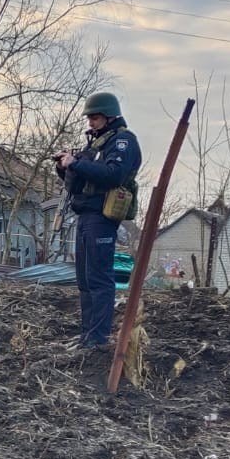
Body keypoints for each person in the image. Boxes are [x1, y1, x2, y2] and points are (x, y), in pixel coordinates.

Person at [55, 92, 141, 349]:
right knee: (84, 279)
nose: (90, 122)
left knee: (99, 278)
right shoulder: (95, 145)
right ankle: (86, 335)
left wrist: (77, 164)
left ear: (109, 115)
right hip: (86, 214)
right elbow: (79, 182)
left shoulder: (123, 141)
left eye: (94, 117)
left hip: (103, 217)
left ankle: (98, 337)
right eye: (89, 117)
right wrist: (64, 167)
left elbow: (114, 174)